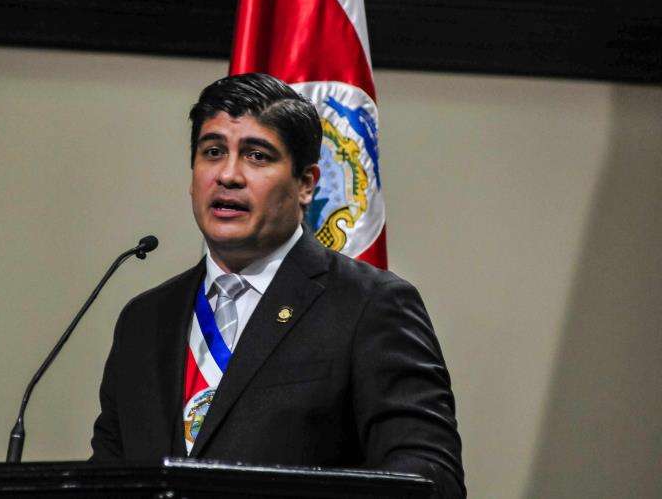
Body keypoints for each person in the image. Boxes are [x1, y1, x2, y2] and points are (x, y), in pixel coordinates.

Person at [90, 73, 465, 497]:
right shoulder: (145, 319)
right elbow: (108, 475)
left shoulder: (369, 306)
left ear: (306, 184)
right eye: (212, 152)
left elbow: (430, 477)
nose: (228, 175)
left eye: (257, 156)